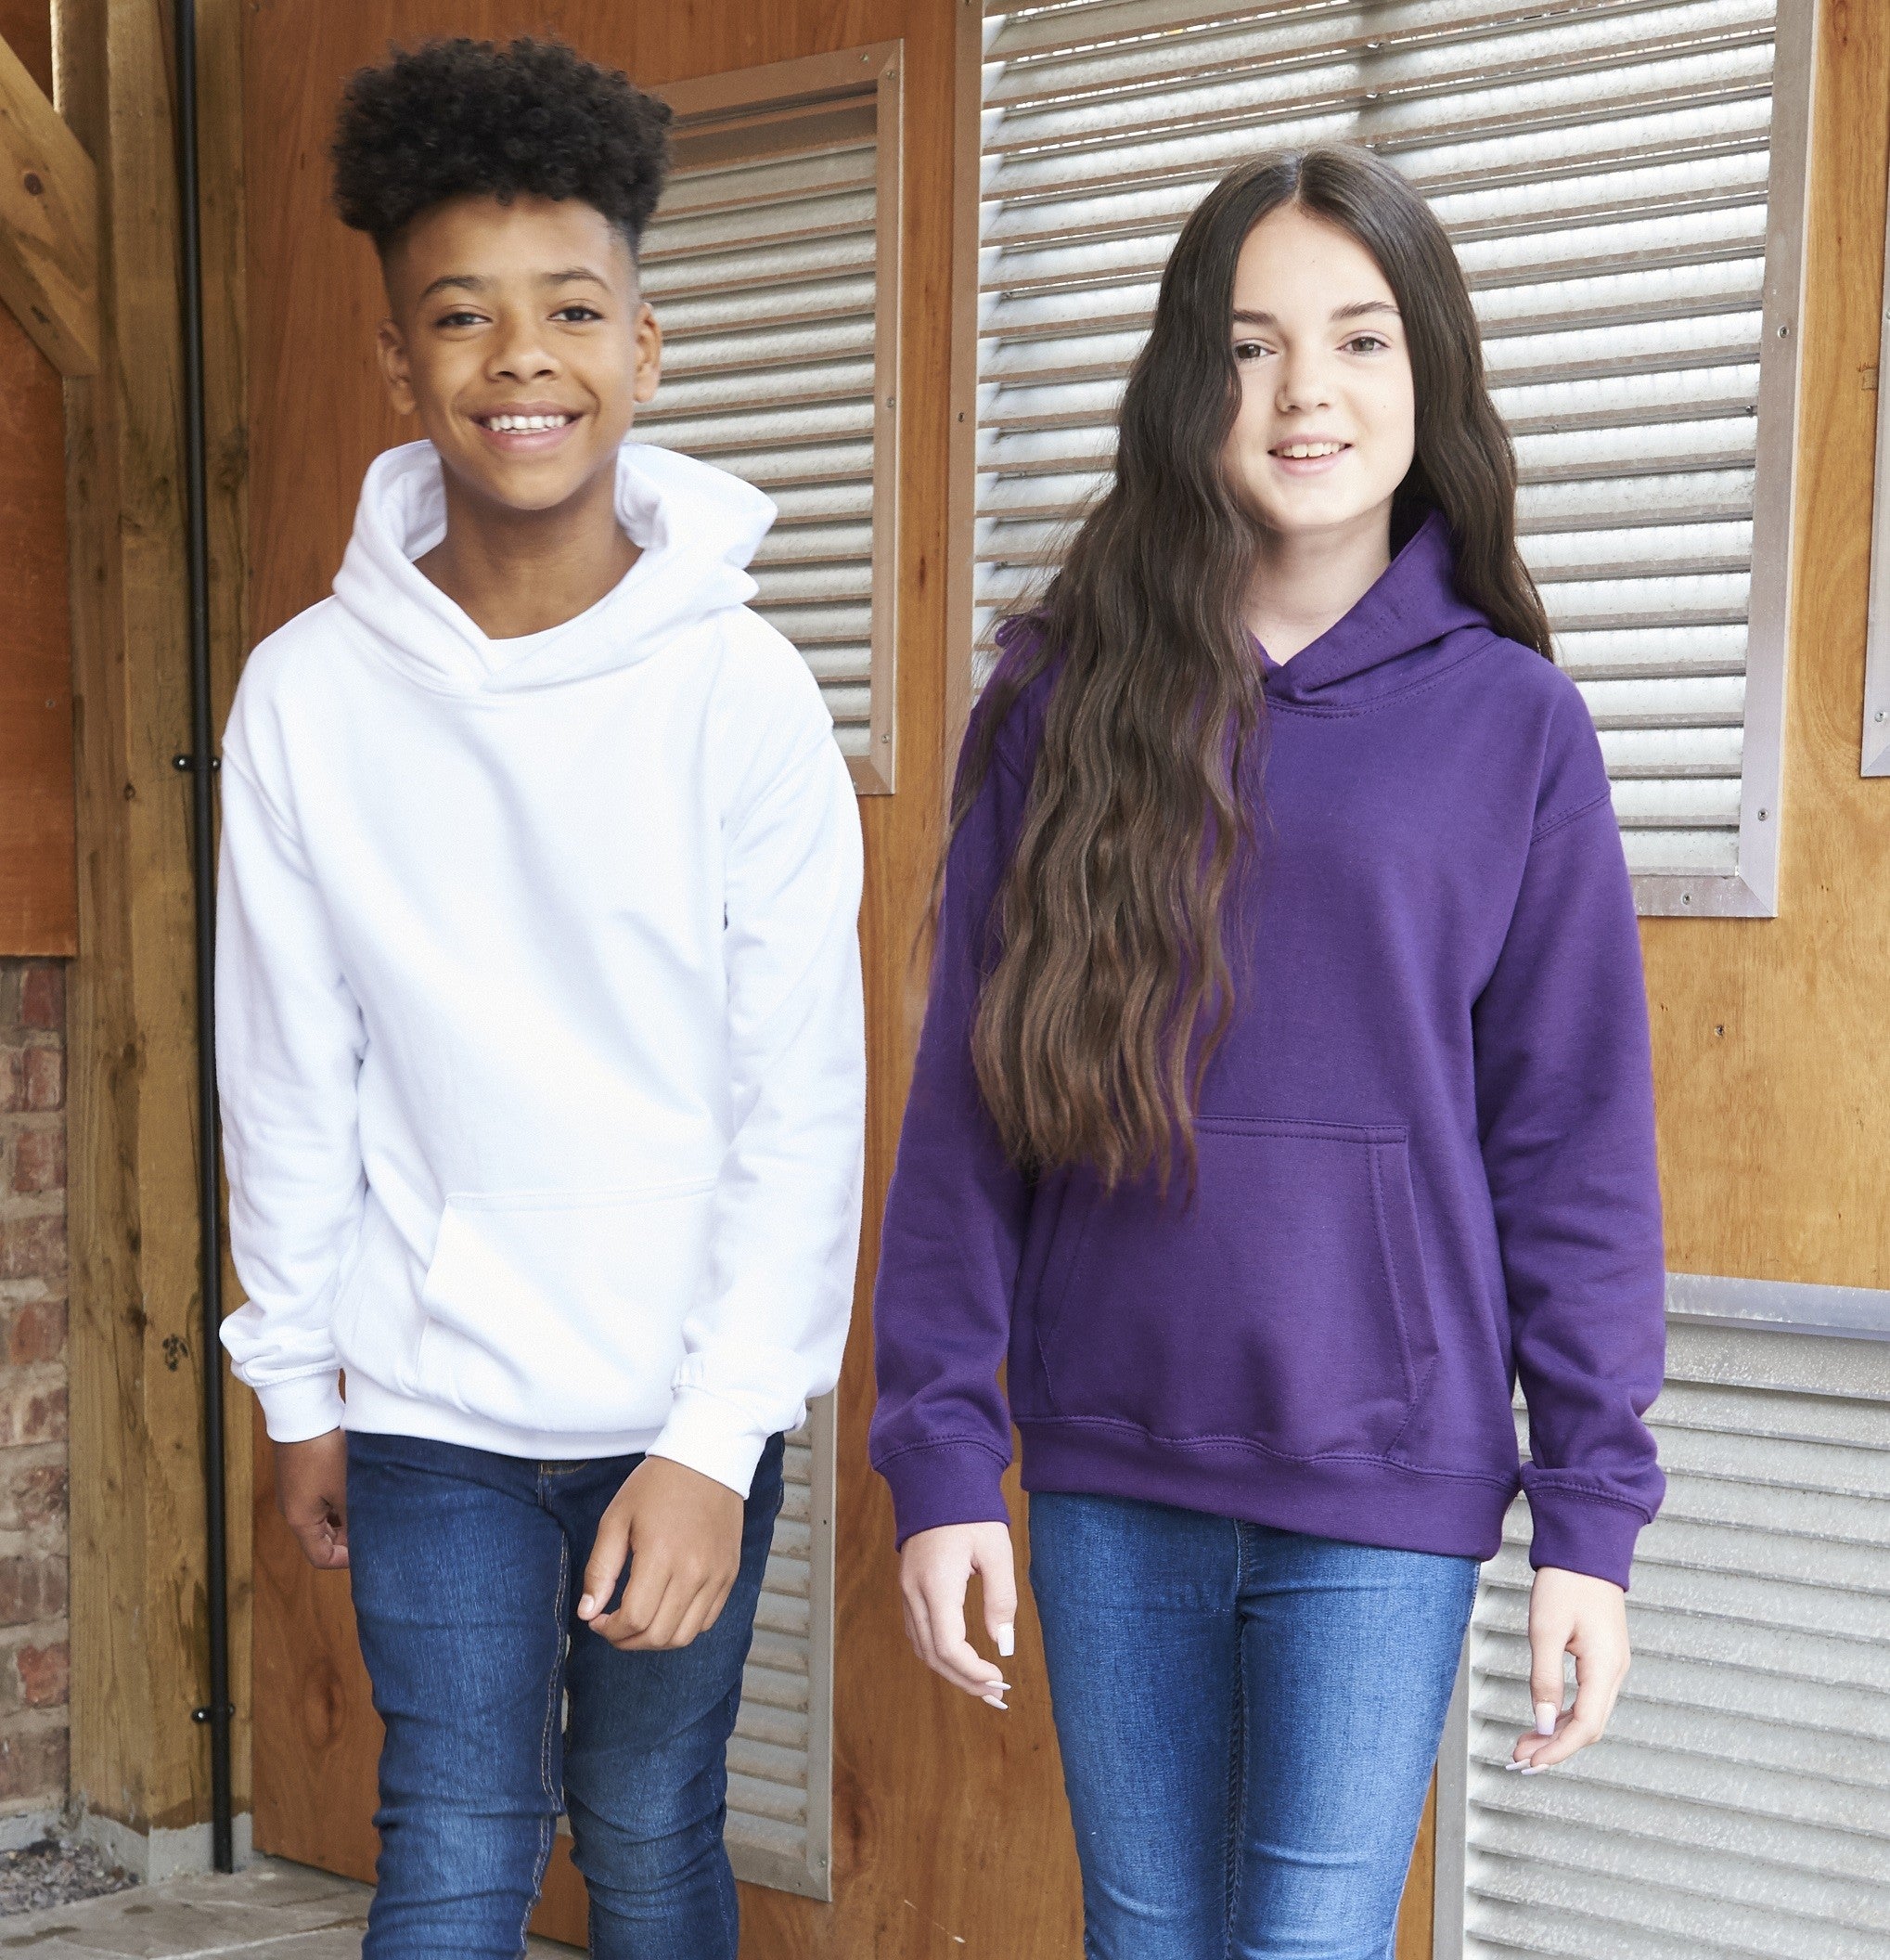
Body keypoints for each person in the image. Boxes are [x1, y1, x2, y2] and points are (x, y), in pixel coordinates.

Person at [870, 144, 1665, 1960]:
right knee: (1142, 1935)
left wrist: (1588, 1520)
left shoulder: (1514, 725)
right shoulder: (1059, 701)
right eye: (1247, 346)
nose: (1304, 391)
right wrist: (938, 1456)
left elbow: (1572, 1147)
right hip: (1106, 1460)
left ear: (1427, 372)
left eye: (1358, 339)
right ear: (1185, 384)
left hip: (1385, 1477)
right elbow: (967, 1114)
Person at [215, 37, 865, 1960]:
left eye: (572, 309)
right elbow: (288, 1070)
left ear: (643, 351)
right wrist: (297, 1384)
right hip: (427, 1400)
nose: (522, 358)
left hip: (681, 1398)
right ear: (395, 362)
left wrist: (717, 1432)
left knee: (651, 1834)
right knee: (453, 1838)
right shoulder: (305, 698)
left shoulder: (739, 691)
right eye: (462, 315)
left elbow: (798, 1097)